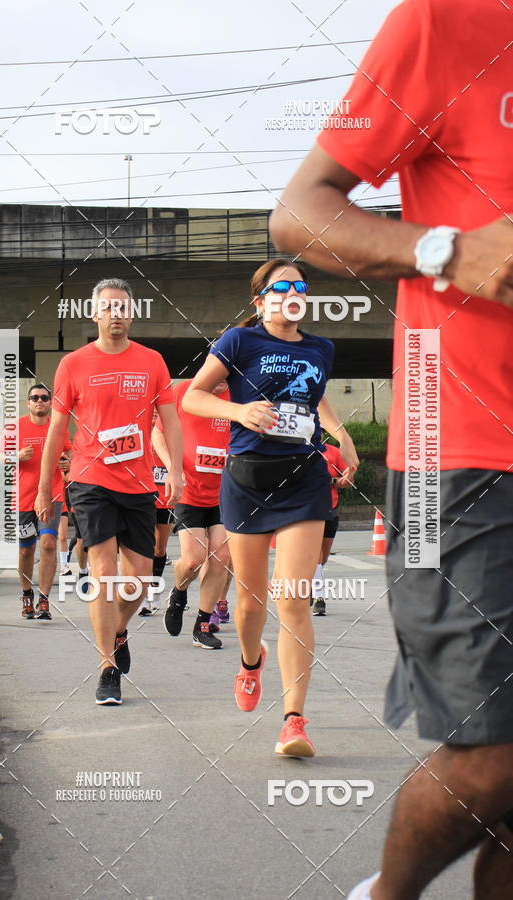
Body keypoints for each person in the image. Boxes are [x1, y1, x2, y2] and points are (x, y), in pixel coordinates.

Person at [270, 0, 513, 895]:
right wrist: (447, 250)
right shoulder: (447, 24)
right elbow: (298, 214)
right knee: (492, 762)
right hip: (463, 454)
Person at [183, 259, 359, 756]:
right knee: (248, 605)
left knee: (293, 599)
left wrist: (340, 436)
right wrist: (239, 410)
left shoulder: (321, 348)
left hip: (303, 480)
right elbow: (193, 398)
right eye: (281, 286)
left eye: (300, 286)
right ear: (261, 300)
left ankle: (294, 721)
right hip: (246, 481)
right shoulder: (239, 343)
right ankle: (249, 660)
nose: (293, 293)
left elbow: (314, 401)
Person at [35, 278, 183, 706]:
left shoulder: (152, 361)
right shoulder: (74, 365)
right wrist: (47, 489)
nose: (116, 314)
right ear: (95, 314)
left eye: (123, 307)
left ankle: (118, 630)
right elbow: (56, 431)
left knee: (138, 580)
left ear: (132, 314)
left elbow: (169, 421)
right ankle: (106, 667)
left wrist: (175, 469)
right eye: (108, 307)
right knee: (102, 572)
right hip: (90, 479)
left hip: (138, 482)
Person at [155, 378, 232, 650]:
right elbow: (157, 432)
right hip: (189, 490)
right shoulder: (183, 390)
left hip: (225, 492)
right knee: (193, 560)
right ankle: (178, 594)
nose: (223, 377)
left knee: (221, 556)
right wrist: (172, 468)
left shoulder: (241, 395)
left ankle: (202, 624)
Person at [3, 384, 71, 620]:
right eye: (35, 398)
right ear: (28, 403)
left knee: (49, 544)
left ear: (50, 402)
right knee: (26, 551)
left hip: (52, 495)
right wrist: (16, 456)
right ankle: (26, 595)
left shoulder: (58, 426)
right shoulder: (15, 427)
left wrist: (66, 463)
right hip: (23, 498)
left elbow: (68, 453)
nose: (39, 401)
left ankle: (44, 599)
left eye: (44, 397)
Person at [138, 411, 177, 617]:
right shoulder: (139, 433)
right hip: (143, 496)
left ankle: (154, 590)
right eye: (151, 414)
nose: (154, 418)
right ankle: (143, 595)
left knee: (159, 547)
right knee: (145, 545)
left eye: (157, 414)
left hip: (165, 497)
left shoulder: (169, 434)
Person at [311, 441, 350, 616]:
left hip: (331, 507)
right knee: (316, 554)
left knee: (323, 556)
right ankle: (319, 598)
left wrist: (344, 479)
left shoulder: (333, 452)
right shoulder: (299, 450)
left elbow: (348, 480)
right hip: (309, 507)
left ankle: (312, 584)